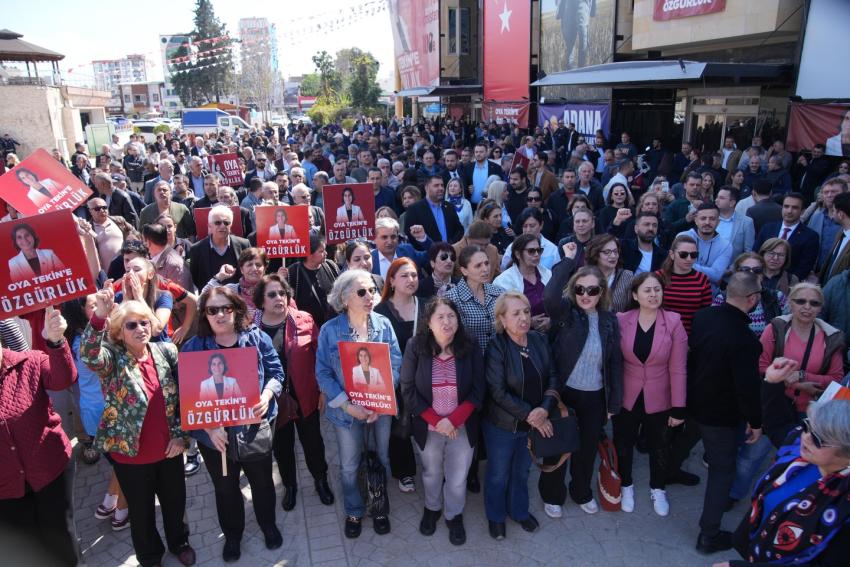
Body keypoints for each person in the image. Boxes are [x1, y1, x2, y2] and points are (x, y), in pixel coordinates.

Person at [81, 291, 196, 567]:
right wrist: (99, 318)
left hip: (169, 450)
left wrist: (181, 436)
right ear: (119, 332)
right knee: (141, 513)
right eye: (132, 325)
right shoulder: (112, 361)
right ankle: (149, 556)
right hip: (131, 457)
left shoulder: (166, 351)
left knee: (175, 504)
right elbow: (89, 354)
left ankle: (179, 542)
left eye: (144, 322)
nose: (141, 328)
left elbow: (185, 396)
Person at [181, 286, 285, 562]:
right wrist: (208, 428)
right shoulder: (194, 348)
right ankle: (234, 534)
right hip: (214, 438)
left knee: (262, 482)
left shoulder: (256, 338)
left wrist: (267, 394)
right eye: (212, 310)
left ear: (236, 309)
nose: (219, 314)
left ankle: (268, 525)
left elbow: (276, 372)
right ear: (204, 314)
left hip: (253, 429)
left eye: (225, 308)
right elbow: (188, 398)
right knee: (226, 488)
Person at [315, 269, 402, 539]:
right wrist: (347, 405)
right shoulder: (330, 331)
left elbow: (395, 362)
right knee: (350, 464)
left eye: (372, 290)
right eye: (361, 292)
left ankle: (378, 507)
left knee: (381, 458)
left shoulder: (384, 325)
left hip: (380, 411)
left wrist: (382, 397)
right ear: (343, 298)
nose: (370, 296)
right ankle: (354, 510)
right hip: (346, 413)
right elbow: (323, 374)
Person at [714, 399, 850, 567]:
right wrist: (772, 383)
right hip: (756, 548)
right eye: (807, 426)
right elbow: (777, 424)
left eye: (817, 438)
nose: (805, 437)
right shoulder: (799, 456)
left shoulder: (844, 505)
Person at [540, 251, 623, 516]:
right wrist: (568, 262)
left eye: (592, 290)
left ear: (602, 292)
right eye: (580, 289)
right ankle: (553, 494)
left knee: (586, 449)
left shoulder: (610, 321)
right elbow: (550, 297)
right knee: (558, 446)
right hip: (564, 393)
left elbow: (614, 363)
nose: (586, 295)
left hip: (595, 397)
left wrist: (614, 402)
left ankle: (581, 491)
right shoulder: (566, 314)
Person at [688, 272, 764, 555]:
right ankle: (709, 535)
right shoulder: (745, 340)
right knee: (722, 473)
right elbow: (747, 389)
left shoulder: (704, 316)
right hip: (721, 417)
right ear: (752, 299)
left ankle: (670, 470)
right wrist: (756, 422)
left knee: (685, 442)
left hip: (694, 403)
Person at [400, 297, 485, 546]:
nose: (447, 322)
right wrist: (438, 421)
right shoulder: (415, 346)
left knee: (458, 476)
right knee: (431, 472)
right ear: (429, 322)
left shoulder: (470, 346)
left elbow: (479, 390)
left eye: (451, 316)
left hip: (462, 425)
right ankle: (432, 507)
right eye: (440, 317)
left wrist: (454, 420)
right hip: (429, 425)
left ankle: (453, 514)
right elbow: (408, 389)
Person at [0, 307, 79, 567]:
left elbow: (64, 377)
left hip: (50, 471)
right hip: (7, 489)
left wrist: (55, 341)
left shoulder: (29, 361)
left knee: (61, 543)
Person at [253, 275, 334, 511]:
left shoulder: (304, 319)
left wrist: (322, 391)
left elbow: (322, 358)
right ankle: (289, 486)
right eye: (272, 294)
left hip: (305, 394)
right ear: (261, 300)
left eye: (282, 293)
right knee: (282, 446)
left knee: (313, 443)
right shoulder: (252, 329)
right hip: (273, 400)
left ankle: (321, 480)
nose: (279, 298)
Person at [483, 292, 558, 536]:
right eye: (515, 313)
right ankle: (495, 516)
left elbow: (554, 377)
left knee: (522, 471)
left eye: (525, 311)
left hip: (534, 422)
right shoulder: (496, 346)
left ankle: (519, 511)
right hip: (503, 426)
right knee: (497, 474)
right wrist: (531, 415)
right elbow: (497, 391)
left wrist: (545, 408)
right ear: (502, 320)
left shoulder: (538, 339)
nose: (523, 317)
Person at [614, 273, 688, 516]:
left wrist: (678, 406)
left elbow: (678, 367)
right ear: (635, 295)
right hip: (627, 395)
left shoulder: (674, 321)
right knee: (623, 443)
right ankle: (626, 484)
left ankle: (658, 487)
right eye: (647, 290)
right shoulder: (621, 320)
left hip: (660, 395)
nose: (653, 294)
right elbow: (613, 363)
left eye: (657, 289)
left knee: (659, 445)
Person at [758, 282, 844, 444]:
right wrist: (798, 384)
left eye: (814, 303)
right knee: (751, 458)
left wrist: (802, 375)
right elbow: (761, 367)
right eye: (801, 301)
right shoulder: (775, 328)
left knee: (796, 457)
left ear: (820, 308)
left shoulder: (832, 337)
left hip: (809, 412)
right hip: (774, 404)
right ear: (790, 303)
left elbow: (836, 379)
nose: (807, 307)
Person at [374, 257, 424, 493]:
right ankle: (404, 471)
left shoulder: (428, 305)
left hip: (424, 378)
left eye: (414, 275)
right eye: (404, 275)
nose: (411, 280)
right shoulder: (380, 312)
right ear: (391, 280)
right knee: (400, 425)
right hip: (395, 379)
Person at [713, 252, 787, 336]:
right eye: (745, 270)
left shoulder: (777, 297)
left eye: (757, 270)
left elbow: (788, 329)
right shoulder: (722, 298)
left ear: (762, 275)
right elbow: (713, 327)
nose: (751, 274)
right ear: (736, 273)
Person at [754, 193, 820, 281]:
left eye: (795, 207)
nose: (789, 211)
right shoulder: (768, 228)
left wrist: (788, 281)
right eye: (786, 206)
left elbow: (805, 267)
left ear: (803, 211)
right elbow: (756, 253)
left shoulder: (811, 236)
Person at [656, 235, 713, 335]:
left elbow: (705, 315)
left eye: (694, 255)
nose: (689, 259)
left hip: (691, 337)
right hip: (661, 335)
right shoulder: (659, 277)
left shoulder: (702, 279)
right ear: (672, 254)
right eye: (683, 254)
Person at [494, 233, 552, 330]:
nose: (536, 254)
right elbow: (501, 316)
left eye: (539, 250)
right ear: (518, 254)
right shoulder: (503, 281)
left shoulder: (548, 274)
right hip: (519, 335)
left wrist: (551, 320)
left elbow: (558, 305)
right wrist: (528, 321)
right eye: (531, 251)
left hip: (550, 334)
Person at [287, 232, 340, 327]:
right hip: (307, 327)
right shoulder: (293, 272)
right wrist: (280, 278)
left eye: (325, 250)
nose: (326, 253)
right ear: (309, 254)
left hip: (334, 324)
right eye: (321, 251)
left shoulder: (331, 266)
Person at [584, 234, 636, 312]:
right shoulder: (584, 275)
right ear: (596, 254)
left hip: (618, 323)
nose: (613, 256)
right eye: (607, 252)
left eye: (615, 251)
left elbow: (633, 308)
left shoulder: (627, 276)